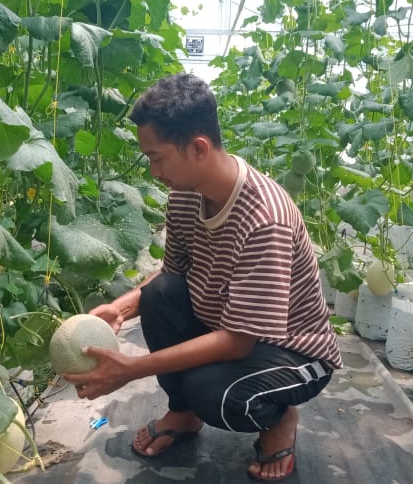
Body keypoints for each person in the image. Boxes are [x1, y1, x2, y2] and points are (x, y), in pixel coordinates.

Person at [62, 72, 342, 483]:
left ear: (197, 148)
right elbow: (172, 274)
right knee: (158, 294)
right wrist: (121, 307)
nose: (153, 170)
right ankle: (184, 414)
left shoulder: (265, 219)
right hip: (232, 327)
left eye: (157, 157)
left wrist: (129, 368)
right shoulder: (185, 195)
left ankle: (279, 418)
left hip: (292, 350)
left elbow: (238, 340)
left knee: (214, 393)